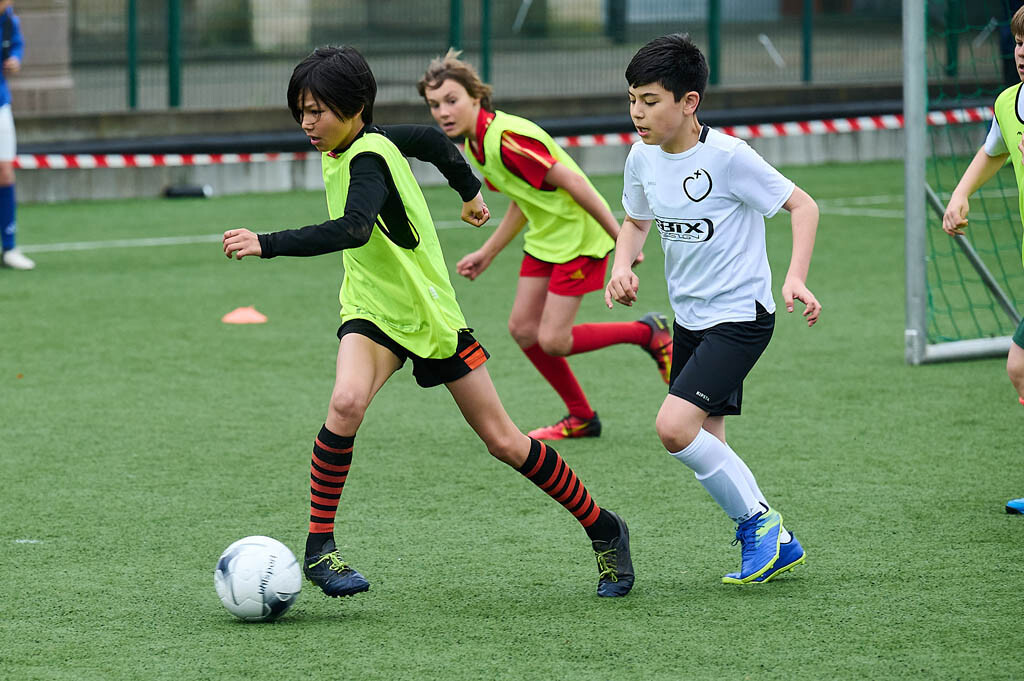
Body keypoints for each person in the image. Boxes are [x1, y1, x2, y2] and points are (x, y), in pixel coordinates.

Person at [222, 46, 634, 598]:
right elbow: (433, 142)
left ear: (354, 107)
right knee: (345, 403)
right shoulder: (361, 141)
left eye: (317, 111)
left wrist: (266, 243)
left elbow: (354, 229)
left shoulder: (368, 158)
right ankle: (320, 549)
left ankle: (604, 528)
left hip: (430, 317)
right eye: (301, 111)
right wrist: (469, 191)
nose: (306, 123)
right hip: (372, 309)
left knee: (505, 442)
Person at [605, 34, 822, 583]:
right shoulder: (641, 157)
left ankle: (761, 525)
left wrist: (795, 276)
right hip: (691, 319)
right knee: (710, 442)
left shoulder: (728, 157)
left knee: (674, 428)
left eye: (650, 100)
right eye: (632, 100)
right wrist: (621, 265)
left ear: (689, 102)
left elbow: (802, 205)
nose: (637, 113)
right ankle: (776, 541)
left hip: (740, 318)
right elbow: (635, 221)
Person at [417, 50, 673, 441]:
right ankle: (581, 417)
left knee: (554, 340)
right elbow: (524, 197)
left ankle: (648, 333)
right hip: (546, 238)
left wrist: (618, 237)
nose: (443, 112)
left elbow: (574, 181)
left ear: (476, 97)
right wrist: (487, 253)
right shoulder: (475, 144)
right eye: (435, 105)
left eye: (451, 100)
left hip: (579, 239)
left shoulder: (506, 138)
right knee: (523, 330)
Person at [942, 5, 1024, 517]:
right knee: (1020, 368)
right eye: (1018, 43)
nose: (1022, 54)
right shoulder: (1009, 104)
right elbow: (995, 150)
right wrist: (961, 193)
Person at [0, 0, 30, 270]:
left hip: (1, 104)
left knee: (5, 172)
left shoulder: (9, 19)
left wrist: (15, 60)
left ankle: (9, 247)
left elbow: (17, 45)